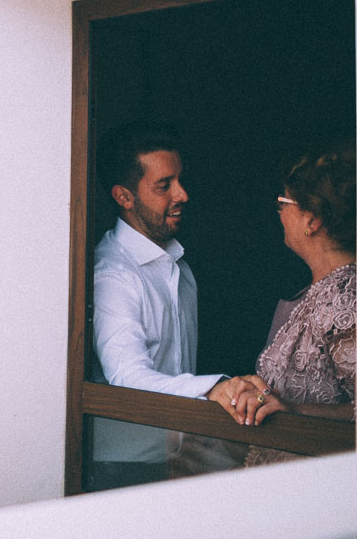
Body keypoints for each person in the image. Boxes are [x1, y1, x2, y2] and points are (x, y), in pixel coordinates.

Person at [89, 121, 256, 489]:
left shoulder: (180, 267)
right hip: (125, 468)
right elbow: (127, 378)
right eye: (164, 185)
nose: (182, 194)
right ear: (124, 196)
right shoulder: (113, 276)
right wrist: (212, 389)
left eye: (179, 180)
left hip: (179, 456)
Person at [229, 146, 356, 466]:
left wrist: (293, 410)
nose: (278, 212)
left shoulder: (345, 298)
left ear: (311, 220)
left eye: (282, 203)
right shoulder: (321, 291)